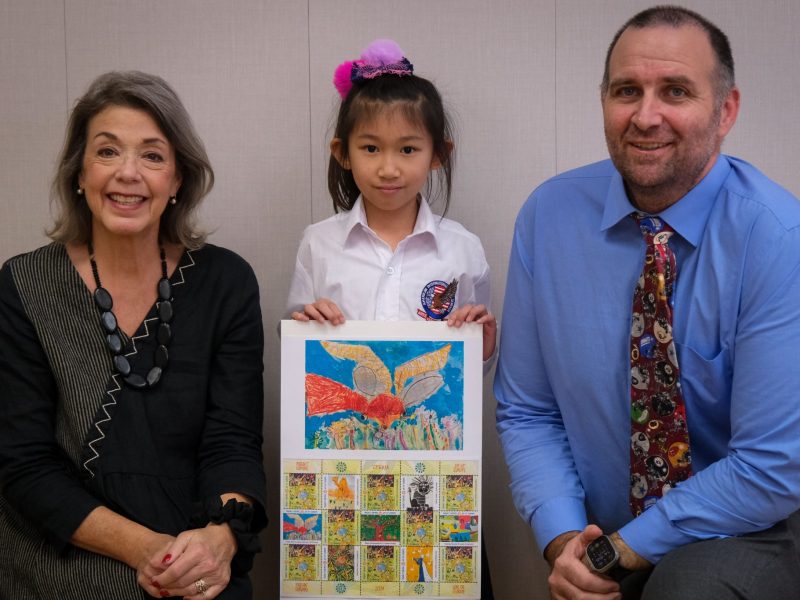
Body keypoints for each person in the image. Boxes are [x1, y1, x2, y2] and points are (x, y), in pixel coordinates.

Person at [495, 6, 800, 600]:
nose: (645, 115)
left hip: (748, 527)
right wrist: (566, 543)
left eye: (676, 91)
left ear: (726, 110)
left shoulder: (778, 238)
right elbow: (530, 410)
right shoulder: (548, 217)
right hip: (601, 530)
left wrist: (617, 554)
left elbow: (770, 466)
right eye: (627, 91)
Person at [0, 71, 267, 600]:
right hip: (64, 561)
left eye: (152, 155)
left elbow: (233, 442)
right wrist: (146, 549)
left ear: (178, 180)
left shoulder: (226, 281)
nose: (128, 173)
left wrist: (219, 540)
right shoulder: (25, 285)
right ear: (79, 173)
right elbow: (23, 463)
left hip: (196, 559)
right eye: (107, 152)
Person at [286, 40, 496, 597]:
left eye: (408, 149)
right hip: (342, 463)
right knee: (347, 573)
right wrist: (306, 322)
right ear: (342, 152)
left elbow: (470, 370)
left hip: (433, 461)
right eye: (370, 148)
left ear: (438, 154)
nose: (388, 167)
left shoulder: (462, 249)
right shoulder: (319, 244)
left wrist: (483, 341)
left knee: (434, 570)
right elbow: (297, 354)